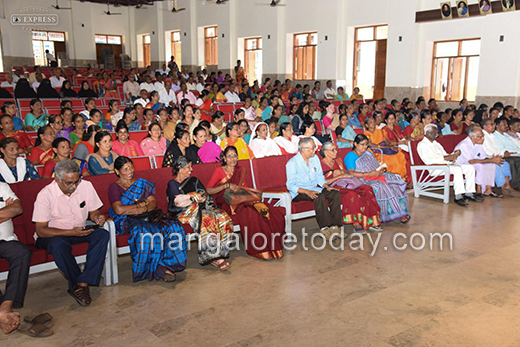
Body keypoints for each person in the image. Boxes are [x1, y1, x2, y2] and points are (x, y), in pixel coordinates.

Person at [33, 160, 110, 306]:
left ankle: (82, 283)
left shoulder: (86, 186)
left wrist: (97, 217)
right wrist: (70, 232)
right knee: (58, 245)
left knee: (102, 234)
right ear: (57, 179)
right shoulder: (45, 194)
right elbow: (41, 230)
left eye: (76, 181)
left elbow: (93, 211)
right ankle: (79, 284)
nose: (74, 186)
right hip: (53, 235)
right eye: (69, 183)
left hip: (78, 229)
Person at [108, 156, 187, 282]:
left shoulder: (141, 183)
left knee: (174, 227)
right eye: (125, 169)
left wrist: (141, 209)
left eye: (131, 167)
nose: (130, 171)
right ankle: (155, 269)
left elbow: (153, 203)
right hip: (126, 219)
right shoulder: (114, 187)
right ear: (117, 172)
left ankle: (168, 264)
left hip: (148, 216)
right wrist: (141, 204)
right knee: (146, 233)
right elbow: (119, 210)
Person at [207, 146, 285, 259]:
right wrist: (226, 185)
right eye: (229, 156)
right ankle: (260, 249)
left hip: (241, 199)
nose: (232, 159)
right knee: (250, 212)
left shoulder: (240, 170)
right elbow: (208, 190)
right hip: (228, 202)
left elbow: (246, 189)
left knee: (265, 210)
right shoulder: (219, 171)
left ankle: (272, 247)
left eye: (234, 156)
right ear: (224, 158)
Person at [167, 156, 232, 270]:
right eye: (188, 167)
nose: (191, 169)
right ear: (180, 168)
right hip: (184, 213)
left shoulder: (194, 180)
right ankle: (213, 257)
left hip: (200, 208)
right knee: (206, 219)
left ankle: (220, 252)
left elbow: (204, 194)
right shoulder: (172, 184)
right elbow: (177, 201)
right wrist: (192, 196)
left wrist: (201, 197)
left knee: (222, 216)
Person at [345, 134, 410, 223]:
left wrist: (380, 169)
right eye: (362, 144)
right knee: (383, 186)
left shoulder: (367, 153)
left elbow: (374, 166)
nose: (365, 147)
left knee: (395, 179)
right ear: (355, 144)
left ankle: (401, 211)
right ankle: (399, 214)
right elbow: (351, 173)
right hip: (363, 179)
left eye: (366, 144)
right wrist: (369, 174)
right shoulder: (350, 156)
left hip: (374, 174)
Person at [286, 137, 342, 238]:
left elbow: (319, 176)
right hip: (299, 192)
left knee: (335, 193)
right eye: (312, 148)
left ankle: (335, 226)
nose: (315, 150)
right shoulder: (292, 163)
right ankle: (325, 228)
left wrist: (325, 186)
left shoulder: (315, 158)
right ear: (303, 149)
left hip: (314, 188)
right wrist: (307, 192)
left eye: (314, 147)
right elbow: (290, 185)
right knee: (318, 196)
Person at [320, 142, 382, 232]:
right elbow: (322, 182)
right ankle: (356, 223)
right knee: (351, 194)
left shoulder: (338, 161)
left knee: (367, 189)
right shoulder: (321, 164)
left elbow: (346, 173)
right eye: (333, 150)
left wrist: (344, 174)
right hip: (334, 187)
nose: (336, 152)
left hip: (347, 183)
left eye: (336, 149)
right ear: (325, 152)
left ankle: (371, 221)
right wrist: (338, 176)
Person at [417, 124, 480, 206]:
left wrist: (454, 154)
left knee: (470, 168)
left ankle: (469, 193)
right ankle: (458, 196)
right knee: (457, 169)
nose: (437, 134)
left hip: (446, 165)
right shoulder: (422, 145)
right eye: (435, 133)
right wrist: (446, 158)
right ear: (428, 133)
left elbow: (446, 155)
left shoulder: (436, 143)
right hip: (435, 168)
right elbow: (428, 161)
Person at [0, 181, 29, 335]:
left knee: (22, 252)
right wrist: (5, 210)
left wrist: (10, 209)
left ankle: (6, 305)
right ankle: (4, 314)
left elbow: (17, 208)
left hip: (6, 240)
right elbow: (10, 210)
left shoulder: (2, 186)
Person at [454, 125, 504, 198]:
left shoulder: (478, 143)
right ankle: (478, 190)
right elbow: (471, 161)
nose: (483, 139)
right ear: (473, 137)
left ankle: (488, 189)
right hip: (462, 164)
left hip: (473, 163)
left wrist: (492, 159)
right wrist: (490, 160)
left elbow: (483, 157)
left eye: (483, 136)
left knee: (491, 164)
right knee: (480, 166)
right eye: (480, 137)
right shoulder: (464, 144)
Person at [364, 117, 409, 182]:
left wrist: (390, 146)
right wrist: (383, 147)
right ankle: (393, 178)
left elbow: (386, 141)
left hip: (385, 149)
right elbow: (370, 144)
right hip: (377, 152)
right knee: (392, 159)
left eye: (374, 122)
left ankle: (401, 177)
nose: (373, 123)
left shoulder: (380, 131)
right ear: (367, 125)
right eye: (370, 122)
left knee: (400, 155)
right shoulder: (367, 133)